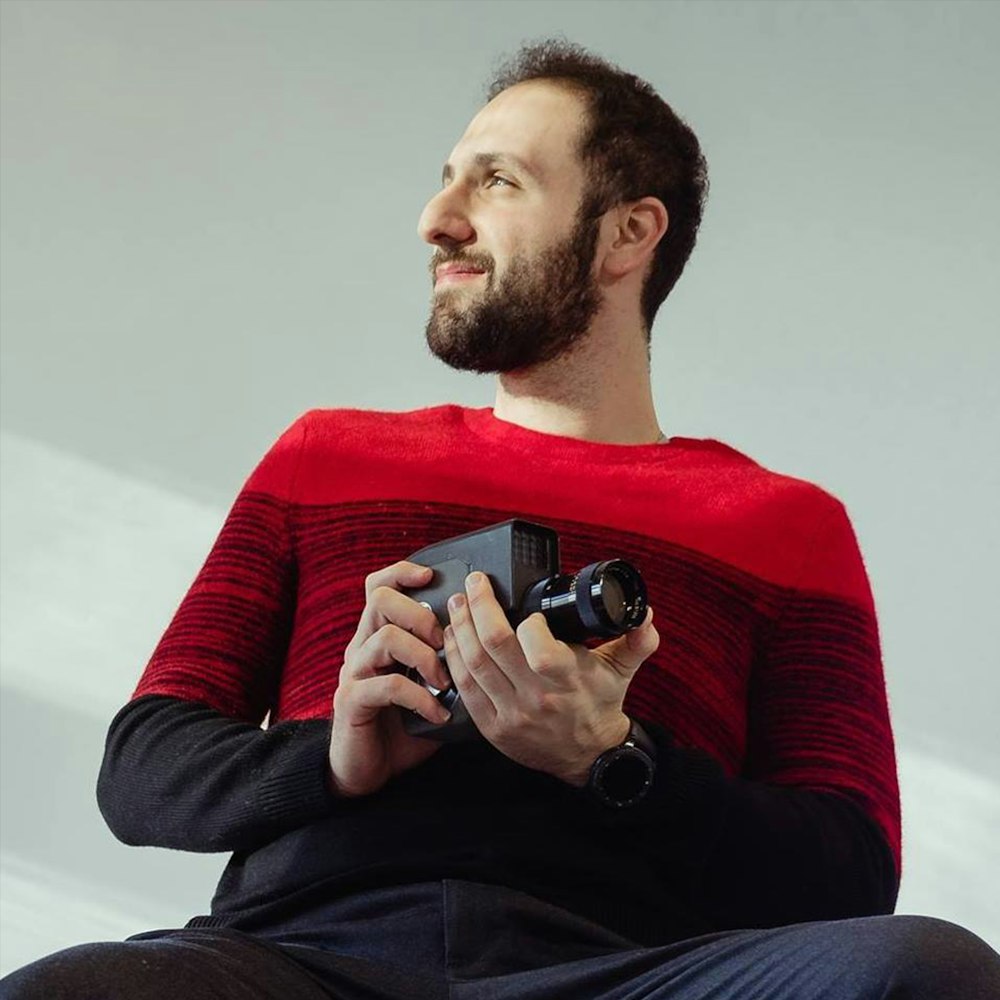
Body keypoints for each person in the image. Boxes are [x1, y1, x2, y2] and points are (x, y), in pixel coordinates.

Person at [3, 39, 998, 1000]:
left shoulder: (785, 523)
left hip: (627, 968)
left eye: (498, 181)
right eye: (447, 178)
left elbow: (849, 872)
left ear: (627, 233)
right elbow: (141, 771)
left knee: (934, 970)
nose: (437, 219)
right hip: (304, 955)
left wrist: (611, 756)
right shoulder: (326, 454)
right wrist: (340, 757)